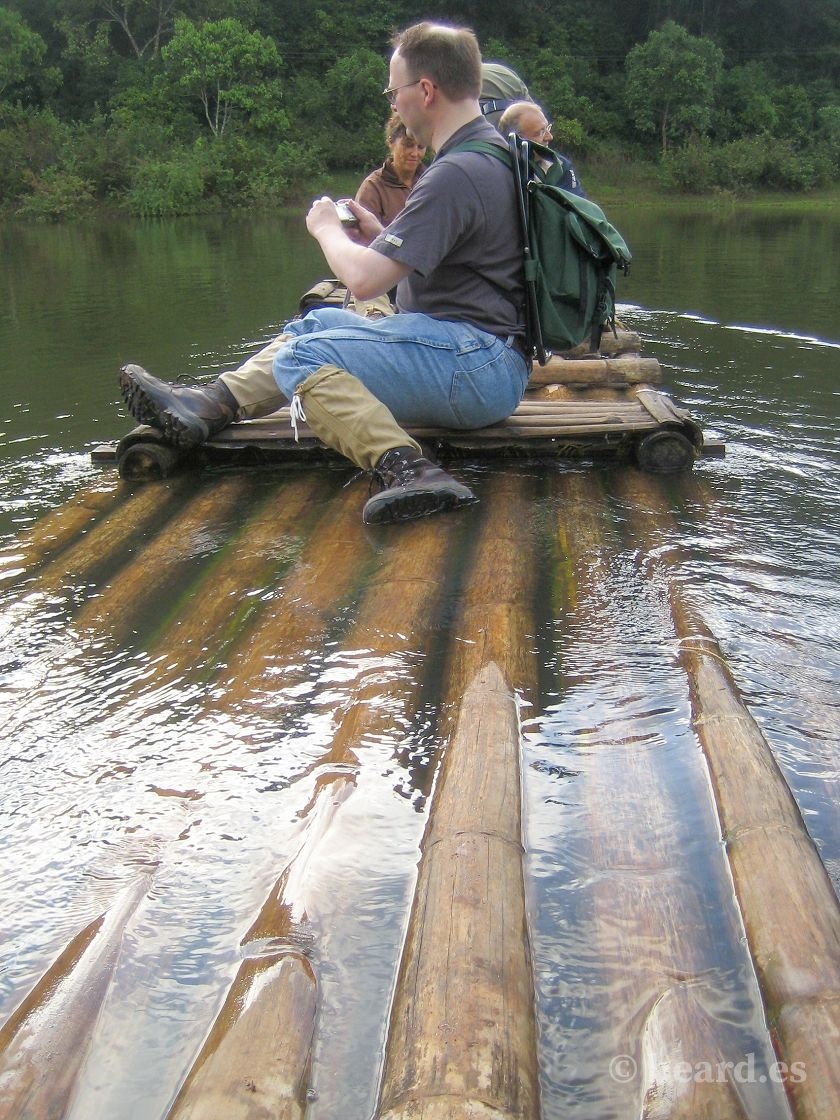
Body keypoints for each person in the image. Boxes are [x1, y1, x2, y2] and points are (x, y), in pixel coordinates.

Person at [118, 21, 530, 526]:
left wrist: (326, 230)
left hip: (476, 366)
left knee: (302, 357)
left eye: (393, 91)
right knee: (315, 326)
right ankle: (208, 405)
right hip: (476, 355)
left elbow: (363, 282)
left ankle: (412, 471)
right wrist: (384, 232)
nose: (393, 104)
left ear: (425, 90)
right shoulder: (486, 155)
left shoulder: (456, 172)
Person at [498, 100, 586, 197]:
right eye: (540, 132)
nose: (549, 137)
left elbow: (579, 206)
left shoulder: (561, 165)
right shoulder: (499, 170)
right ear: (516, 139)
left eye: (547, 128)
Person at [355, 112, 427, 227]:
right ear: (390, 143)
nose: (415, 153)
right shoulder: (373, 188)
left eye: (421, 147)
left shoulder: (431, 180)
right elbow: (365, 239)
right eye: (408, 145)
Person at [479, 61, 530, 130]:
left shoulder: (464, 74)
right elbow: (532, 110)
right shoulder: (505, 71)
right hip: (517, 120)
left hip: (484, 123)